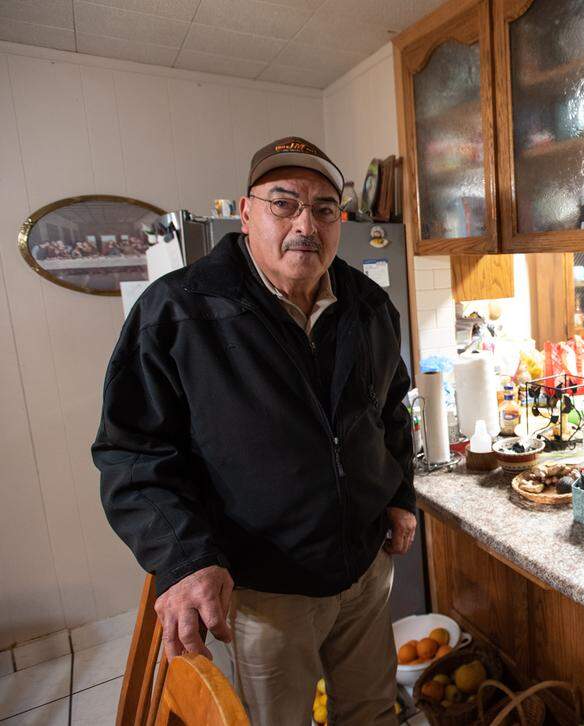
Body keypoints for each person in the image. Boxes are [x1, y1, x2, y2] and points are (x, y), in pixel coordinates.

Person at [93, 136, 415, 726]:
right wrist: (185, 558)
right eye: (284, 204)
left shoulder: (369, 305)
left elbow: (391, 411)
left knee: (372, 714)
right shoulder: (180, 312)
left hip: (366, 573)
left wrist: (398, 497)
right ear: (245, 215)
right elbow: (132, 454)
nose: (306, 225)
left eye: (324, 209)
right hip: (268, 591)